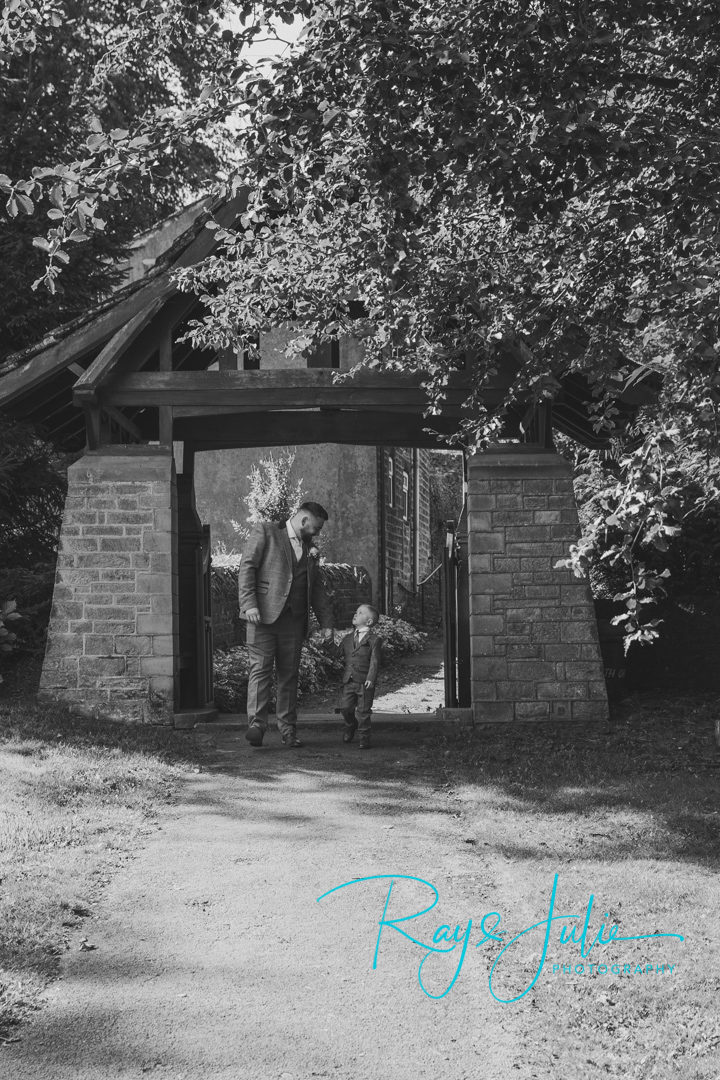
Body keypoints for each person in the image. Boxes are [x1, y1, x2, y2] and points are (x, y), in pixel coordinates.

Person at [238, 501, 334, 748]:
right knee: (260, 670)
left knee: (288, 676)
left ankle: (288, 730)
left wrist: (327, 623)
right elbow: (247, 567)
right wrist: (249, 604)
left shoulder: (310, 550)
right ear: (303, 520)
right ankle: (257, 726)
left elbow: (317, 588)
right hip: (261, 617)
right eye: (317, 527)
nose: (318, 533)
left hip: (293, 622)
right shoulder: (267, 531)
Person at [338, 604, 382, 750]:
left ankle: (364, 738)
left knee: (363, 711)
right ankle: (350, 725)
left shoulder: (374, 640)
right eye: (356, 611)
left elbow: (374, 661)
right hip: (349, 680)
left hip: (364, 682)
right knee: (345, 708)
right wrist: (327, 642)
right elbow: (337, 654)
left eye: (360, 612)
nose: (355, 614)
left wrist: (371, 678)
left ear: (369, 622)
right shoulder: (348, 638)